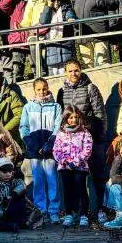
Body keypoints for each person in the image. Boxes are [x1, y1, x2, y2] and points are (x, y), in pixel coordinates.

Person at [56, 60, 108, 224]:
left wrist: (99, 136)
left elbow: (100, 114)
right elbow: (61, 116)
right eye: (70, 71)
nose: (74, 74)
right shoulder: (61, 91)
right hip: (70, 142)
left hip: (89, 138)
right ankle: (74, 212)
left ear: (81, 70)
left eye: (76, 70)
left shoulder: (90, 87)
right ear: (65, 72)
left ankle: (101, 209)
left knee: (98, 176)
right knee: (74, 181)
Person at [20, 78, 61, 222]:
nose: (42, 91)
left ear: (48, 88)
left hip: (49, 150)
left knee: (52, 180)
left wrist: (49, 145)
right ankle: (41, 210)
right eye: (38, 89)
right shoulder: (28, 107)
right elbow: (23, 128)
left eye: (44, 88)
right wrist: (33, 145)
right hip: (34, 150)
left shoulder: (56, 106)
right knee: (38, 181)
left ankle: (54, 211)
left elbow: (57, 126)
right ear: (34, 90)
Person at [71, 0, 119, 67]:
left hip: (99, 32)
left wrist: (98, 3)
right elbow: (74, 5)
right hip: (83, 32)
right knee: (86, 65)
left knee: (103, 63)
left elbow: (114, 2)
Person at [53, 106, 93, 227]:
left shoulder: (85, 132)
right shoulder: (61, 133)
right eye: (71, 117)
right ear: (66, 118)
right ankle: (69, 213)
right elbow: (56, 150)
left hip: (79, 167)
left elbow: (87, 150)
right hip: (64, 167)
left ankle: (83, 214)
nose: (74, 120)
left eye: (76, 117)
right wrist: (64, 162)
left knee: (81, 189)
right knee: (67, 190)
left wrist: (74, 163)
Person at [0, 0, 36, 83]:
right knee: (17, 73)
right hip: (17, 41)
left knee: (36, 70)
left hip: (31, 39)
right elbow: (2, 5)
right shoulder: (15, 2)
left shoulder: (35, 0)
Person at [42, 0, 78, 75]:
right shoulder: (47, 10)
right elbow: (43, 21)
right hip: (51, 45)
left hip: (65, 44)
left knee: (65, 71)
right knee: (53, 72)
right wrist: (47, 7)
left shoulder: (65, 8)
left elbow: (70, 14)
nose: (56, 2)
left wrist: (70, 18)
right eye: (53, 0)